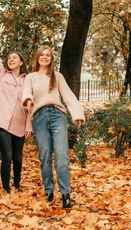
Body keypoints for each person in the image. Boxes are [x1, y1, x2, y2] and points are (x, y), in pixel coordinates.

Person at [22, 46, 85, 209]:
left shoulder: (57, 76)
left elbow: (68, 95)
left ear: (51, 58)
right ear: (37, 58)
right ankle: (49, 190)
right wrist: (28, 100)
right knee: (45, 156)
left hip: (57, 116)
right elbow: (26, 92)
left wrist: (77, 113)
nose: (44, 57)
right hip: (39, 117)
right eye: (42, 55)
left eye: (47, 55)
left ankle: (65, 194)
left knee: (62, 157)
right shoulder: (31, 77)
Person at [0, 25, 32, 193]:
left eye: (15, 58)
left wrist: (29, 125)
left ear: (21, 62)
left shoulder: (28, 80)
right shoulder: (1, 75)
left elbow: (29, 106)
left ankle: (17, 185)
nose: (11, 60)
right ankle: (6, 188)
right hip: (1, 123)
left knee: (18, 158)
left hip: (19, 125)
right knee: (7, 156)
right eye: (9, 58)